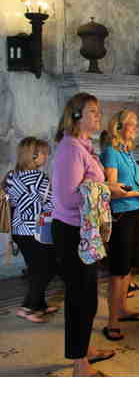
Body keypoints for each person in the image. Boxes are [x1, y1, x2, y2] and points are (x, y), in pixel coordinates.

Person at [52, 92, 115, 376]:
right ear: (76, 116)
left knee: (88, 296)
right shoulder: (70, 149)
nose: (98, 116)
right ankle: (80, 364)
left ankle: (85, 350)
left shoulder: (83, 146)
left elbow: (89, 186)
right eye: (92, 111)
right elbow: (68, 198)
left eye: (98, 111)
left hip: (85, 230)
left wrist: (105, 190)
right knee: (79, 297)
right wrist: (106, 191)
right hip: (72, 231)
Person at [100, 110, 139, 341]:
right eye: (132, 124)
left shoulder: (127, 152)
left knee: (128, 267)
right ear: (119, 127)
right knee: (118, 270)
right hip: (120, 215)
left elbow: (129, 183)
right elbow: (112, 189)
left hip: (134, 212)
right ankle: (112, 322)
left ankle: (122, 309)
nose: (136, 128)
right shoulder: (111, 152)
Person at [4, 138, 57, 323]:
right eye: (43, 153)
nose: (46, 156)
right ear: (33, 156)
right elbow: (51, 204)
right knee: (46, 268)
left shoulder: (11, 177)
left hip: (19, 230)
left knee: (37, 268)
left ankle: (40, 304)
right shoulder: (40, 178)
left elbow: (11, 202)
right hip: (37, 230)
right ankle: (28, 307)